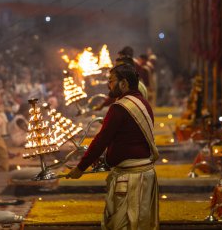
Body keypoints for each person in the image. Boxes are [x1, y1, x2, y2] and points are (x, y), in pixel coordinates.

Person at [67, 63, 160, 230]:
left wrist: (80, 167)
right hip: (145, 175)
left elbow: (101, 140)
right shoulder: (143, 103)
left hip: (131, 179)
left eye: (111, 81)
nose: (108, 85)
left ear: (123, 83)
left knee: (124, 225)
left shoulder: (120, 108)